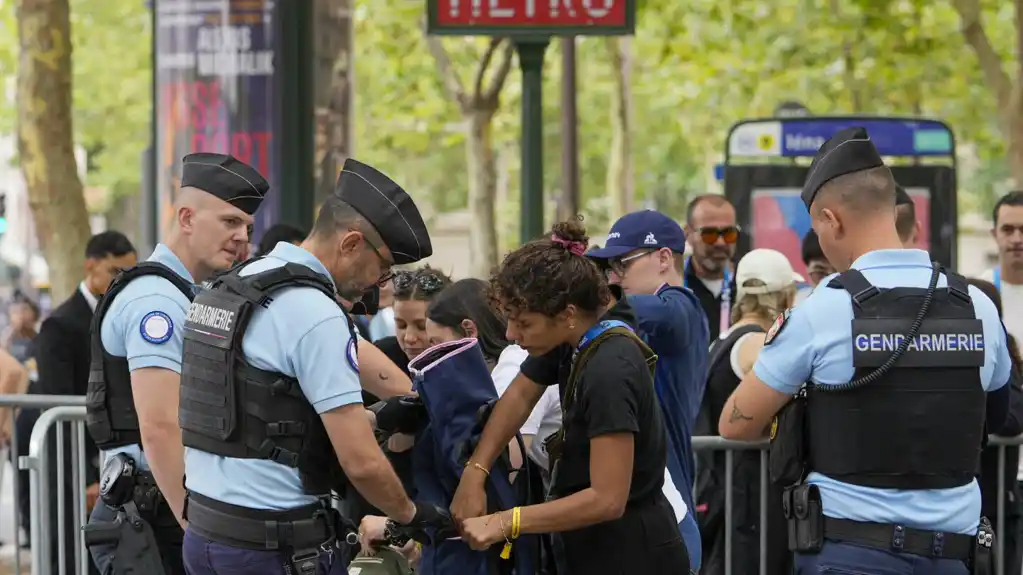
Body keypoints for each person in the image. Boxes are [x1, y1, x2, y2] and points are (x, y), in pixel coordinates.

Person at [717, 127, 1011, 574]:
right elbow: (998, 410)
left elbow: (736, 424)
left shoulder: (823, 310)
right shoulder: (977, 306)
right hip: (954, 555)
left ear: (832, 220)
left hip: (850, 553)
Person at [178, 158, 449, 575]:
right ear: (351, 243)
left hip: (206, 537)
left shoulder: (236, 285)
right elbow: (360, 462)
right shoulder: (316, 313)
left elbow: (259, 412)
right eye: (382, 269)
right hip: (273, 548)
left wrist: (378, 417)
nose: (378, 284)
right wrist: (413, 514)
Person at [453, 218, 690, 574]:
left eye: (523, 323)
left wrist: (506, 522)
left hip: (634, 554)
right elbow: (519, 394)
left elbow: (608, 499)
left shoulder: (611, 368)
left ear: (566, 314)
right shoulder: (571, 337)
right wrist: (476, 469)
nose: (510, 333)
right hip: (588, 548)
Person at [85, 153, 267, 575]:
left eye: (248, 227)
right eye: (229, 222)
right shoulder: (158, 301)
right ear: (187, 218)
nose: (243, 237)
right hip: (155, 516)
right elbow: (161, 428)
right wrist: (200, 530)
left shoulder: (186, 293)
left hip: (161, 510)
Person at [586, 209, 708, 568]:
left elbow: (654, 313)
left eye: (622, 263)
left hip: (669, 513)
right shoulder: (636, 316)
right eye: (608, 267)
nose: (613, 276)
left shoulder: (681, 307)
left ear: (664, 257)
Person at [30, 230, 137, 575]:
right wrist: (86, 476)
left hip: (116, 466)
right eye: (116, 272)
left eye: (129, 274)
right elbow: (59, 408)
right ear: (90, 267)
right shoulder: (59, 326)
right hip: (76, 468)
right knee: (77, 557)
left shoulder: (122, 315)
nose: (123, 282)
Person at [694, 248, 800, 575]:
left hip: (723, 484)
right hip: (749, 489)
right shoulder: (759, 344)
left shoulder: (721, 340)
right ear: (784, 295)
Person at [968, 277, 1023, 575]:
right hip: (966, 506)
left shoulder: (1002, 354)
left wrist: (968, 417)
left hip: (997, 505)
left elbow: (1013, 420)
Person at [683, 195, 739, 340]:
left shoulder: (749, 287)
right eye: (709, 234)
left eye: (729, 233)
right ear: (688, 234)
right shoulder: (674, 289)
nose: (720, 243)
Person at [981, 191, 1023, 343]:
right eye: (1008, 230)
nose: (1017, 239)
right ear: (994, 234)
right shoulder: (979, 294)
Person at [794, 230, 834, 305]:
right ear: (807, 269)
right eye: (820, 273)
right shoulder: (797, 305)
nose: (829, 281)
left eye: (839, 274)